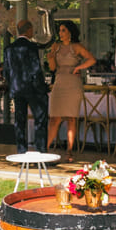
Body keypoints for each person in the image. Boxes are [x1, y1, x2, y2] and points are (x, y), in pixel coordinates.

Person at [45, 21, 97, 156]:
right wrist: (50, 59)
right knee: (54, 118)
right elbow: (52, 68)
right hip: (59, 82)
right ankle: (45, 148)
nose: (60, 33)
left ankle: (70, 150)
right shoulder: (55, 46)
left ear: (70, 32)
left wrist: (78, 68)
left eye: (63, 30)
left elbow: (92, 59)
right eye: (60, 30)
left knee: (71, 118)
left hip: (73, 84)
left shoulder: (77, 47)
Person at [3, 19, 48, 154]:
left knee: (19, 120)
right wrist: (42, 88)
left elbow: (7, 71)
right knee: (40, 119)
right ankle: (41, 151)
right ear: (29, 30)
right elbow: (35, 69)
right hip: (33, 89)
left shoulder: (9, 49)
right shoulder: (31, 47)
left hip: (17, 89)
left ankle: (21, 151)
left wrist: (11, 87)